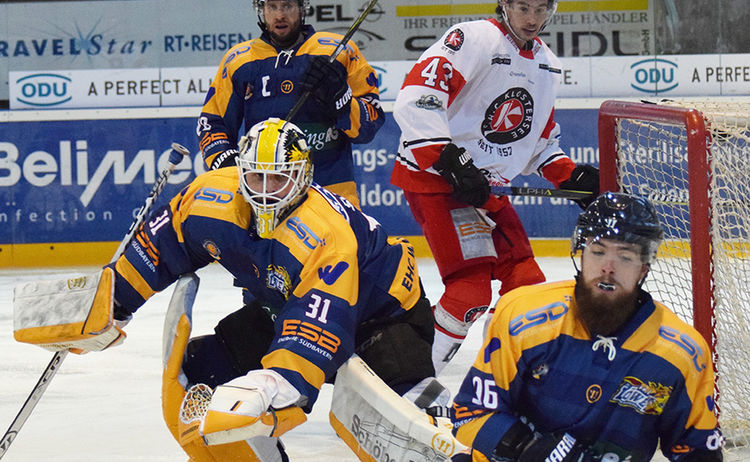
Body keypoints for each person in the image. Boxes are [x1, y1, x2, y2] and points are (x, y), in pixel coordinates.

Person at [102, 119, 443, 461]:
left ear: (303, 177)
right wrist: (111, 301)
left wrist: (276, 381)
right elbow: (163, 243)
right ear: (240, 172)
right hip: (289, 305)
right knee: (202, 372)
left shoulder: (325, 233)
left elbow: (321, 323)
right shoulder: (209, 197)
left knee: (410, 427)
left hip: (383, 315)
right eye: (256, 177)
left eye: (279, 178)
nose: (265, 190)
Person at [390, 0, 600, 374]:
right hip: (438, 181)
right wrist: (449, 158)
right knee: (469, 291)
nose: (532, 19)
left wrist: (568, 175)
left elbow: (537, 141)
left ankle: (498, 372)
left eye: (541, 8)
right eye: (523, 7)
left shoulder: (546, 64)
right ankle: (408, 378)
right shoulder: (475, 38)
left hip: (485, 191)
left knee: (526, 284)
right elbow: (418, 95)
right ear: (505, 4)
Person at [450, 192, 724, 461]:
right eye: (598, 251)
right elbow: (470, 413)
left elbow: (698, 451)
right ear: (580, 255)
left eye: (625, 257)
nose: (608, 267)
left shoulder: (681, 353)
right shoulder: (523, 318)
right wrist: (531, 449)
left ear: (644, 268)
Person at [197, 0, 384, 208]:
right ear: (261, 10)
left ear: (302, 9)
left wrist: (340, 96)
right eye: (272, 7)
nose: (279, 15)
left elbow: (368, 126)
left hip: (332, 195)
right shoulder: (239, 61)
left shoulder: (337, 51)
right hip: (265, 196)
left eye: (287, 6)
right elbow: (212, 123)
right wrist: (229, 165)